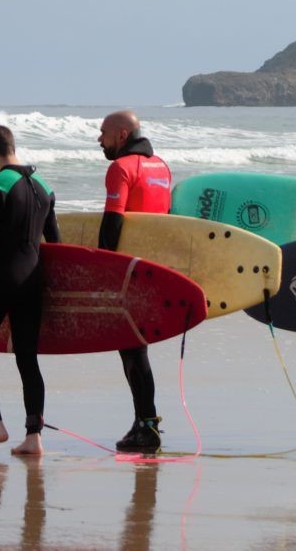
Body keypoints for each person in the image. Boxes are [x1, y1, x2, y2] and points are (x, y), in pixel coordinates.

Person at [0, 125, 60, 456]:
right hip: (33, 283)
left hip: (1, 281)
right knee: (27, 358)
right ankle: (34, 436)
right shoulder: (44, 187)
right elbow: (56, 244)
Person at [97, 110, 172, 453]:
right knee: (135, 349)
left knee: (132, 350)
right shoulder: (161, 167)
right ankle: (145, 421)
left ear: (122, 135)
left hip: (127, 273)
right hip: (154, 270)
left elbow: (113, 223)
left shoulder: (121, 168)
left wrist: (99, 267)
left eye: (104, 134)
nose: (100, 140)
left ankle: (147, 424)